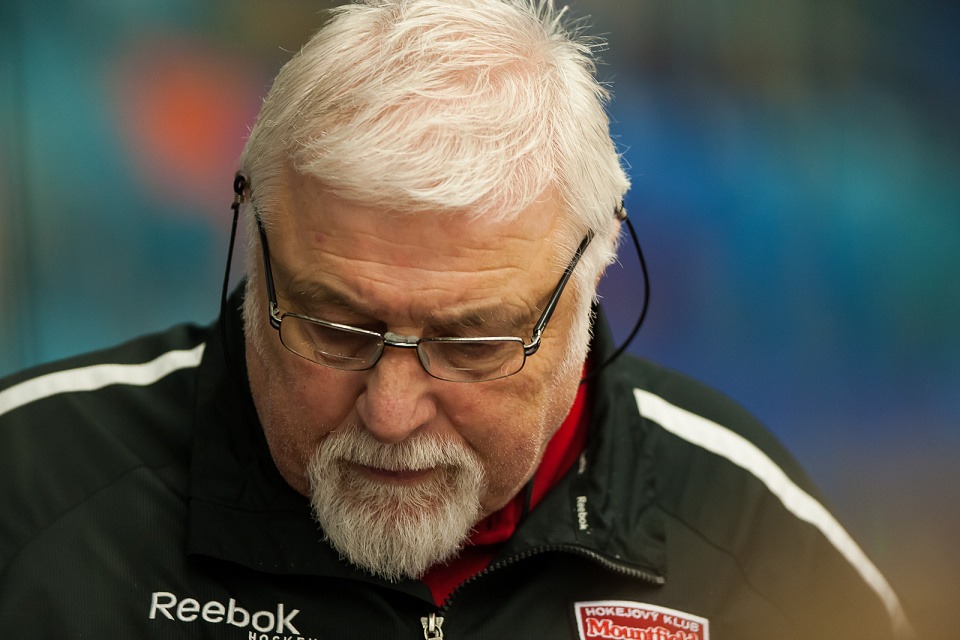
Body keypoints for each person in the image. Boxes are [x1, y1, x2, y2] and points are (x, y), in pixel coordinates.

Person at [0, 1, 913, 638]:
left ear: (592, 280)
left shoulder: (755, 539)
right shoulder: (28, 490)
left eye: (473, 343)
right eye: (337, 330)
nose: (392, 412)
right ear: (254, 246)